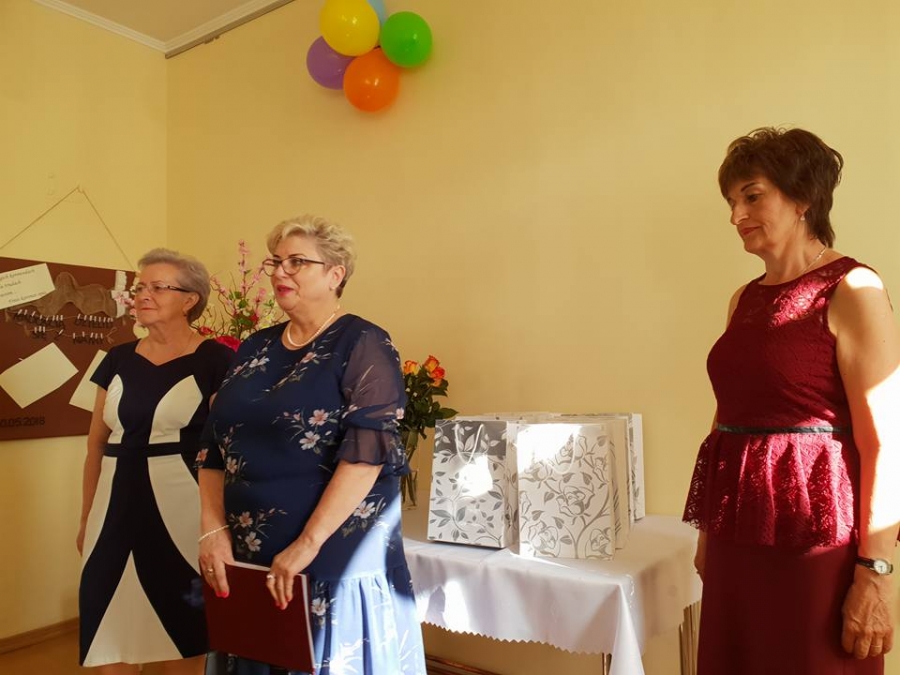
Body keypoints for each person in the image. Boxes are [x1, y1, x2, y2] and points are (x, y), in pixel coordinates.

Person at [683, 127, 900, 674]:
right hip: (737, 532)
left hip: (815, 540)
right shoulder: (743, 299)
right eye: (731, 201)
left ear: (802, 198)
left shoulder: (854, 288)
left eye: (752, 196)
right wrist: (709, 532)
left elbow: (886, 442)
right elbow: (727, 417)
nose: (736, 215)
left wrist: (876, 573)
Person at [197, 215, 426, 675]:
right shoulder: (254, 347)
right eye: (276, 262)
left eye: (297, 262)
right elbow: (213, 446)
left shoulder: (364, 343)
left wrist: (307, 543)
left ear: (335, 274)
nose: (281, 271)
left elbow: (365, 456)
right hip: (249, 553)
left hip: (330, 553)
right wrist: (212, 530)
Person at [78, 248, 234, 673]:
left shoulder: (218, 360)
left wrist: (217, 527)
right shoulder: (116, 359)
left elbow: (225, 451)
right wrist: (86, 517)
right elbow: (95, 446)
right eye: (139, 287)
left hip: (183, 510)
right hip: (112, 509)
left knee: (181, 626)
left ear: (189, 300)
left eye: (158, 287)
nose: (143, 295)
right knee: (108, 624)